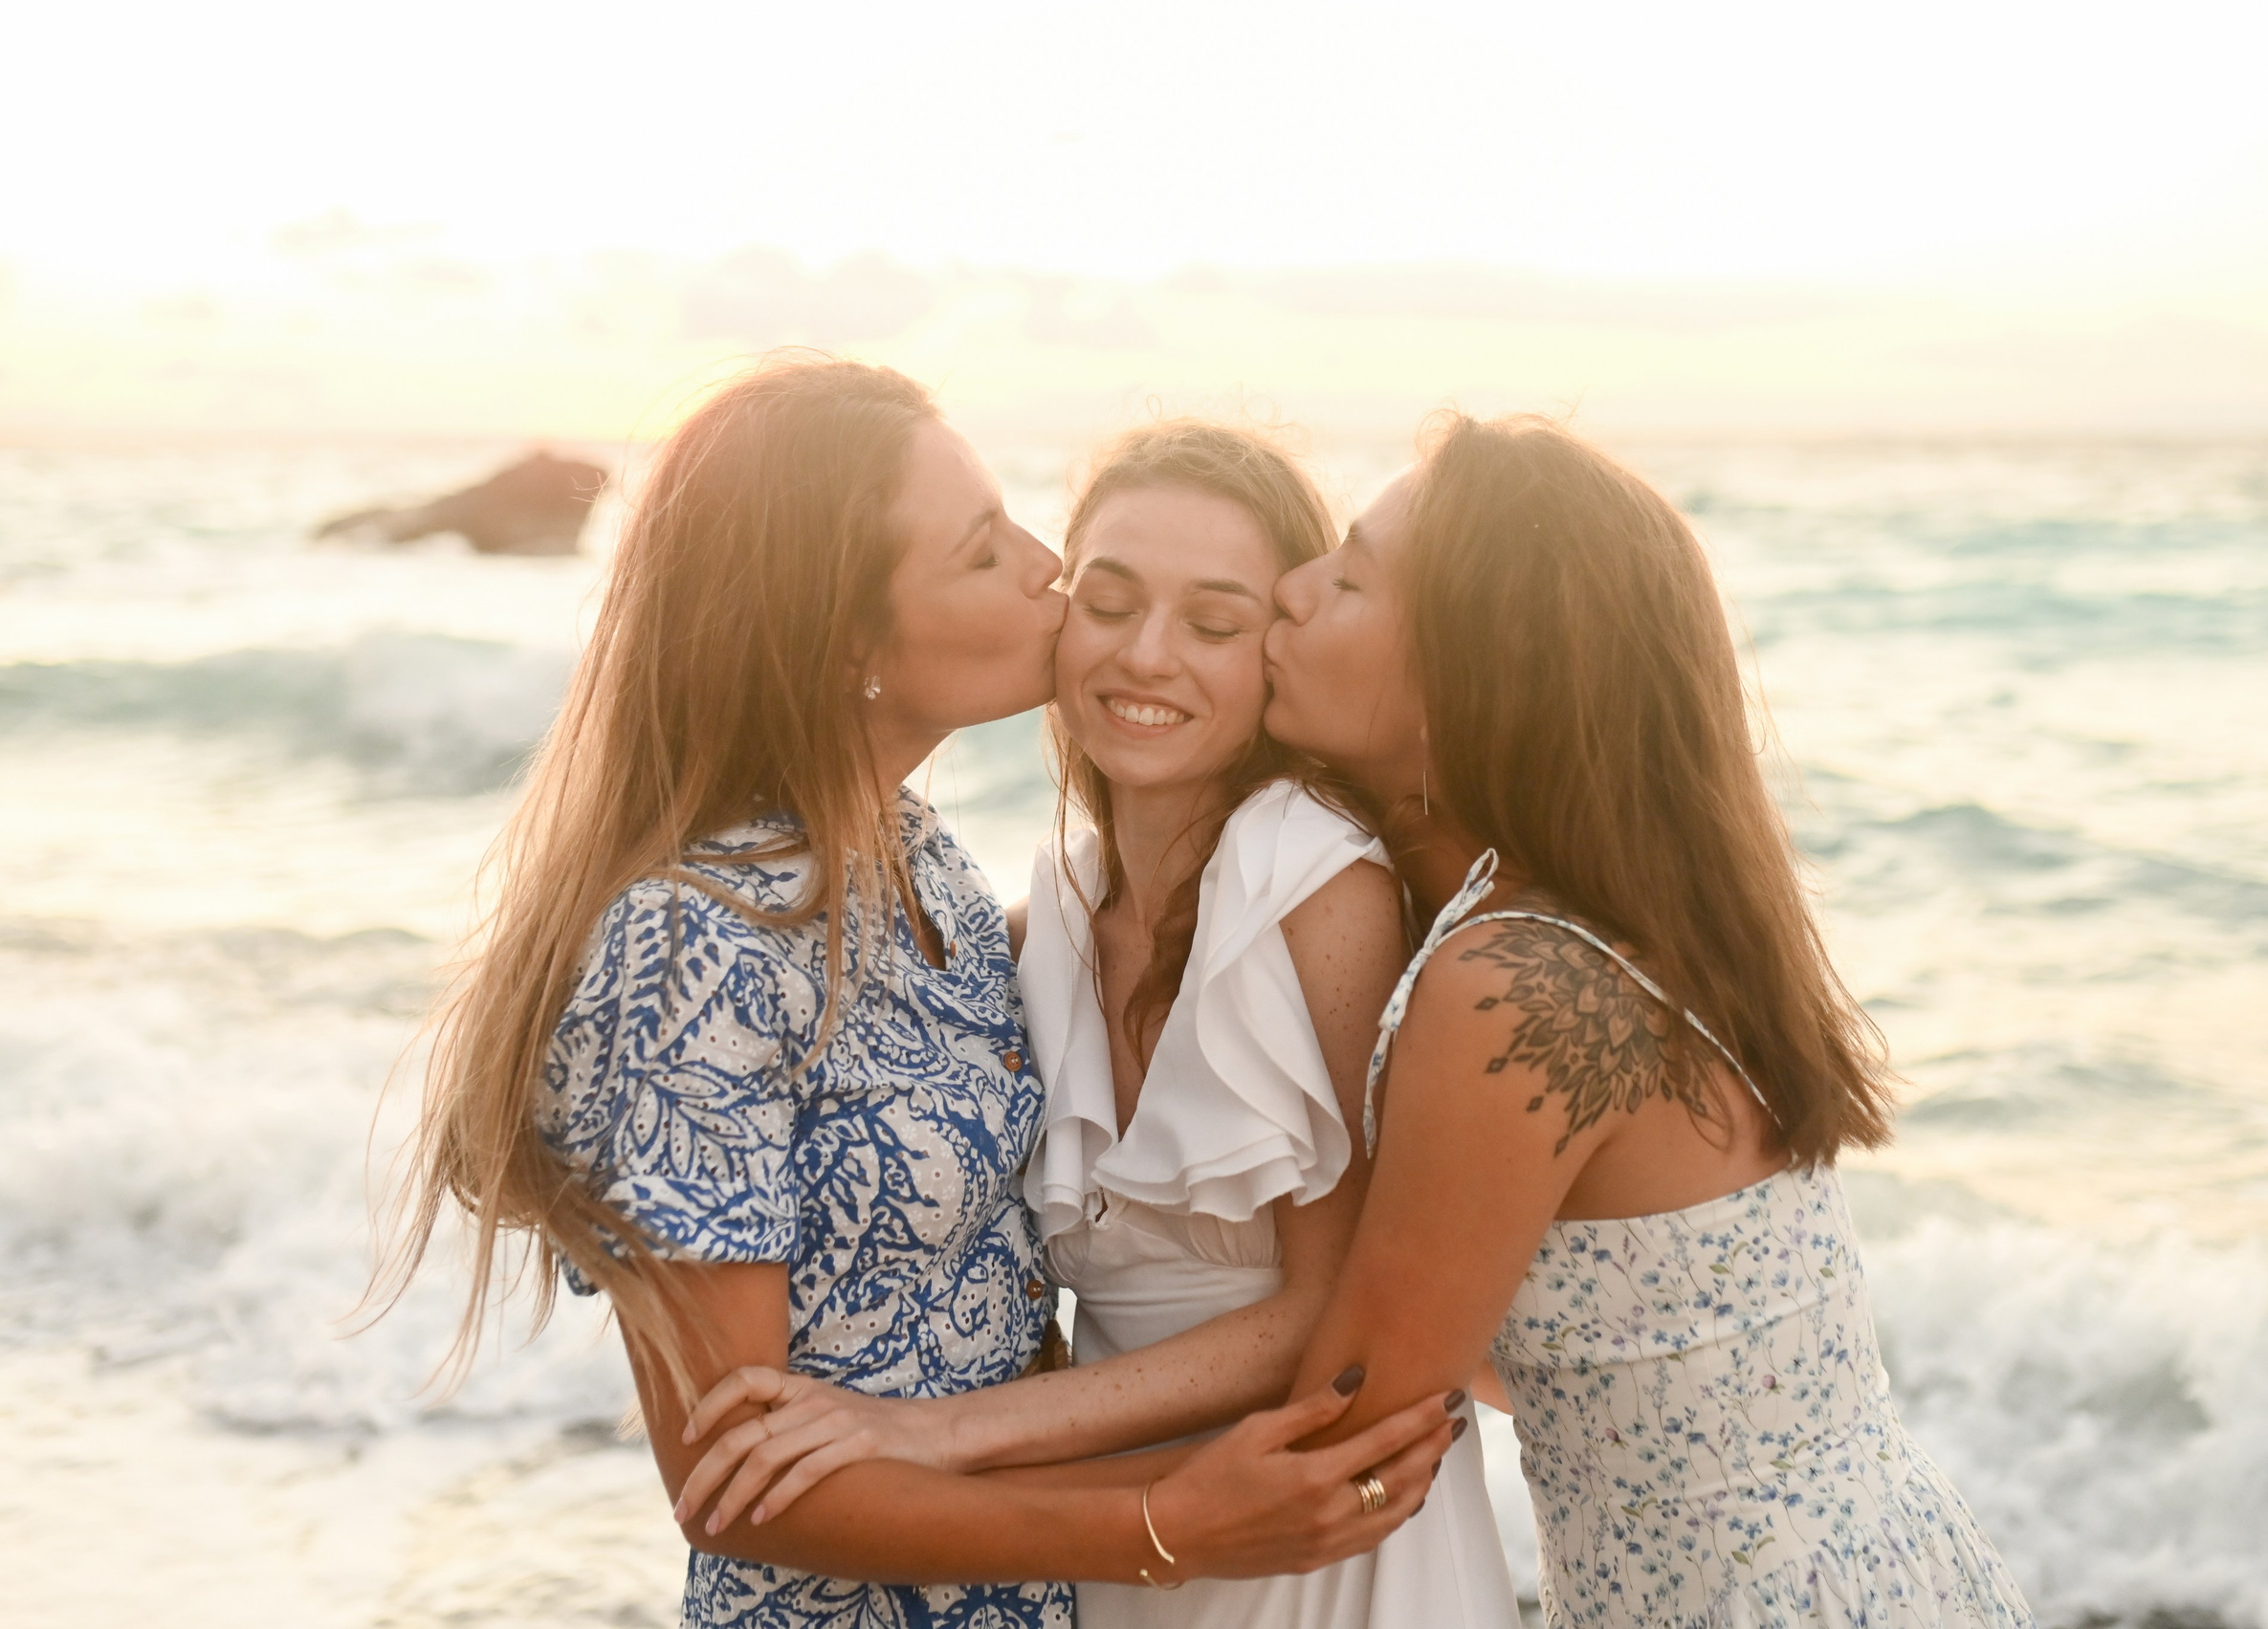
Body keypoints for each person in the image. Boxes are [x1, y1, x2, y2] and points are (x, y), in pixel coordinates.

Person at [381, 357, 1463, 1629]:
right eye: (981, 549)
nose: (1043, 568)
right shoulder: (688, 948)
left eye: (1017, 521)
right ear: (847, 635)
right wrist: (1158, 1522)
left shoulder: (930, 872)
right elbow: (736, 1481)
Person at [672, 422, 1518, 1629]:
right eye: (1108, 600)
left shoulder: (1317, 881)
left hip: (1313, 1538)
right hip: (1120, 1553)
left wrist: (936, 1436)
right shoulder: (1034, 918)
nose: (1148, 655)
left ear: (1275, 653)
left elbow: (1332, 1318)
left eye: (1215, 624)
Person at [1263, 413, 2036, 1628]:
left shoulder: (1519, 983)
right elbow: (1604, 1340)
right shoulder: (1624, 926)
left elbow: (1355, 1425)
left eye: (1348, 576)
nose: (1289, 592)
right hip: (1880, 1570)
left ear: (1472, 679)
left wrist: (954, 1460)